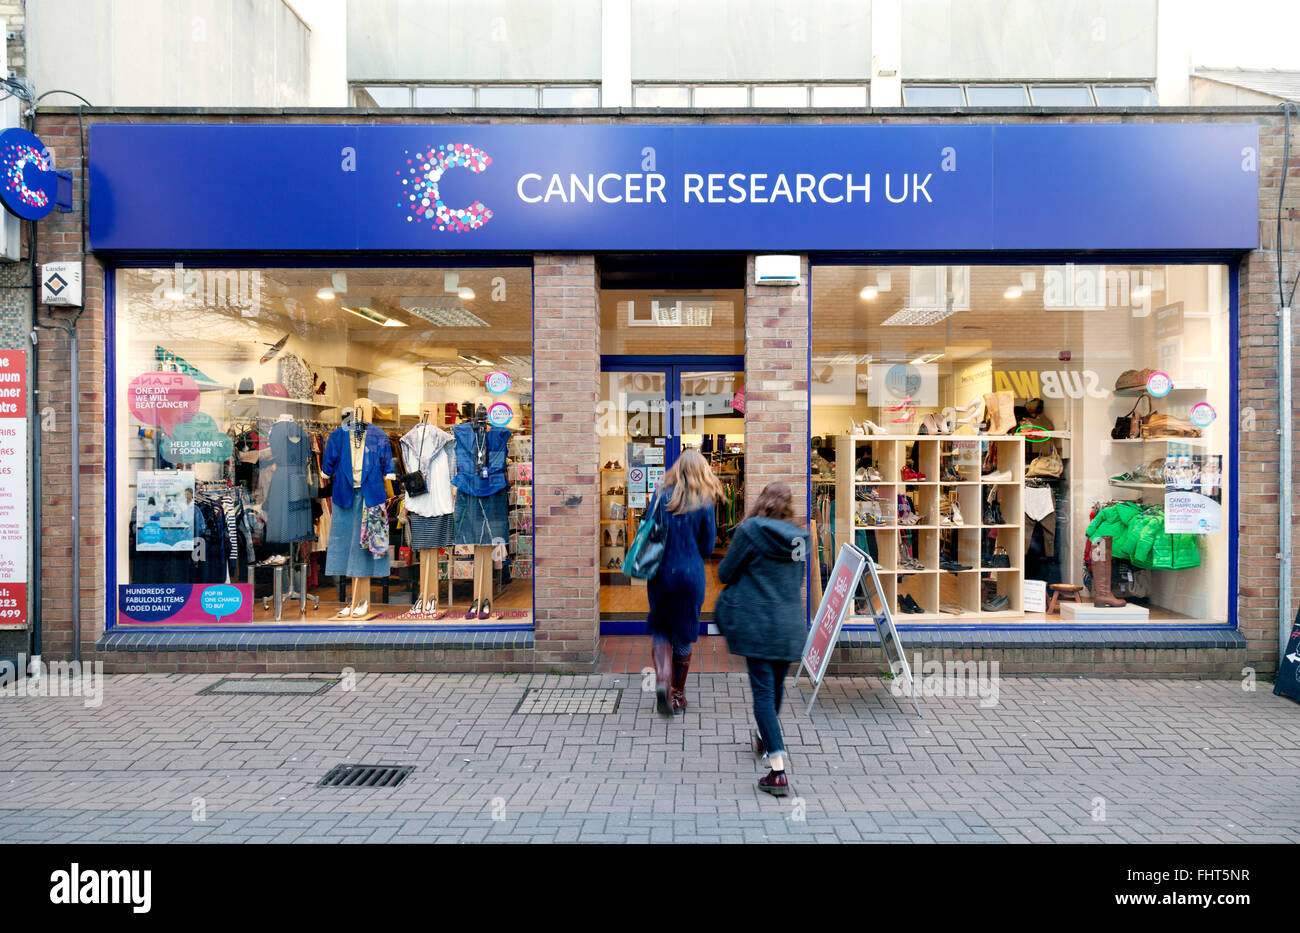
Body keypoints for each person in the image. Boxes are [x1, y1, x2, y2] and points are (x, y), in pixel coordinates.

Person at [714, 482, 811, 797]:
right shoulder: (800, 538)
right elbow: (796, 580)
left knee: (762, 696)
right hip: (789, 625)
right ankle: (764, 737)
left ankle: (778, 770)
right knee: (774, 688)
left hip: (758, 624)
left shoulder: (750, 531)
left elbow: (726, 573)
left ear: (761, 502)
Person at [647, 448, 721, 717]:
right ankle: (677, 695)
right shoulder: (705, 501)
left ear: (677, 469)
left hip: (660, 573)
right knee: (685, 633)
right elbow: (708, 546)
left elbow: (647, 529)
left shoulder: (659, 495)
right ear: (703, 472)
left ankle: (662, 680)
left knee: (662, 627)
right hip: (690, 575)